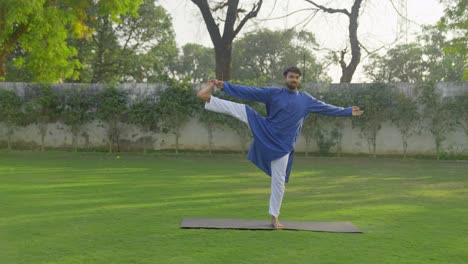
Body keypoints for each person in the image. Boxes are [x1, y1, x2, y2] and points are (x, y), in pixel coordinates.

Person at [196, 66, 364, 229]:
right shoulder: (274, 93)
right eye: (291, 77)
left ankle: (274, 217)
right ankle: (208, 98)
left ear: (299, 80)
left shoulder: (306, 100)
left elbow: (327, 109)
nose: (294, 80)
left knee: (279, 181)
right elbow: (250, 92)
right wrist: (225, 86)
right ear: (286, 78)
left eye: (297, 78)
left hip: (284, 145)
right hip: (267, 130)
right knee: (243, 110)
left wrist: (347, 111)